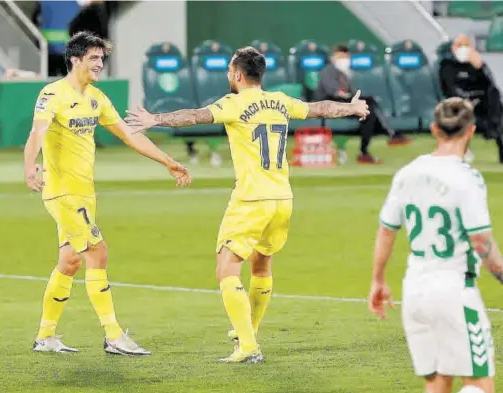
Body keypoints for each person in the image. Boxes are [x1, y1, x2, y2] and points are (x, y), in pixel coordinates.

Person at [126, 46, 369, 363]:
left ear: (238, 75)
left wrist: (154, 119)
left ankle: (248, 346)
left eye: (230, 70)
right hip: (282, 197)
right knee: (261, 264)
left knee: (226, 268)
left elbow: (196, 116)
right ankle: (249, 330)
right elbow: (319, 108)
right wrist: (351, 108)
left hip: (251, 198)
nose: (229, 75)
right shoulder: (280, 101)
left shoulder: (233, 103)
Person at [24, 32, 191, 356]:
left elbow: (130, 136)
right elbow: (37, 132)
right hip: (63, 194)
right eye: (93, 59)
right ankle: (113, 335)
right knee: (97, 253)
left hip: (85, 194)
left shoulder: (97, 99)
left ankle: (45, 336)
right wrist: (29, 166)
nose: (100, 64)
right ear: (75, 60)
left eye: (102, 58)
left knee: (70, 261)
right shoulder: (53, 94)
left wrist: (168, 161)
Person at [369, 97, 501, 393]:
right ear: (471, 131)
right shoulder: (466, 178)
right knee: (481, 385)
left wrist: (378, 281)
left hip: (415, 289)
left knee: (438, 381)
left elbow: (386, 229)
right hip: (453, 291)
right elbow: (482, 243)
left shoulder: (407, 173)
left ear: (433, 129)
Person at [316, 45, 412, 164]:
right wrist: (350, 97)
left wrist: (353, 97)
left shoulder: (345, 73)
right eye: (341, 57)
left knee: (369, 110)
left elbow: (351, 91)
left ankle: (366, 151)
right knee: (369, 105)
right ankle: (389, 135)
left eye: (346, 57)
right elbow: (333, 91)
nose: (344, 60)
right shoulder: (328, 71)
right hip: (331, 104)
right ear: (334, 57)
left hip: (344, 103)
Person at [439, 34, 503, 164]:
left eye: (466, 45)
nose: (463, 49)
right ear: (453, 48)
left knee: (496, 104)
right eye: (459, 45)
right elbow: (449, 89)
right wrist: (466, 100)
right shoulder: (447, 65)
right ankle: (461, 148)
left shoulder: (477, 65)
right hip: (457, 104)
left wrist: (481, 68)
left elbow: (490, 86)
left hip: (480, 104)